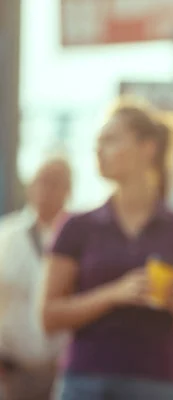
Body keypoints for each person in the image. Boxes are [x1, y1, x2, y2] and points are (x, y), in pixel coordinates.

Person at [41, 99, 173, 400]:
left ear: (147, 148)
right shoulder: (75, 227)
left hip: (162, 384)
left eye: (110, 140)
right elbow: (48, 317)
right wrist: (114, 294)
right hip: (85, 383)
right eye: (98, 142)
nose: (98, 150)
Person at [0, 156, 71, 400]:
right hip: (11, 369)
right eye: (41, 181)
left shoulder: (78, 241)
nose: (45, 189)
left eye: (55, 183)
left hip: (62, 371)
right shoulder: (5, 236)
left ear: (68, 191)